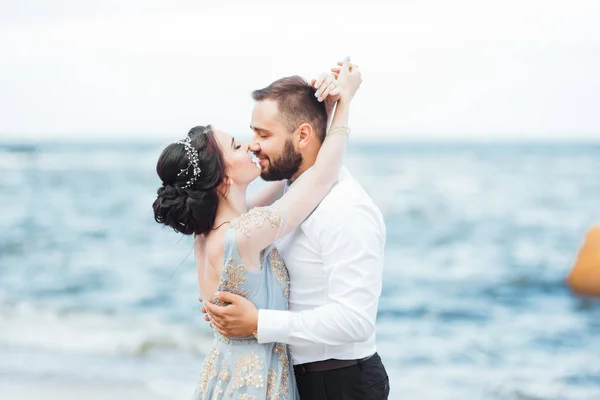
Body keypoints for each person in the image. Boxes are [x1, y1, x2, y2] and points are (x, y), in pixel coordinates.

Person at [152, 58, 361, 399]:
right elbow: (320, 177)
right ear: (223, 177)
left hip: (224, 377)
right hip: (254, 385)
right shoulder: (244, 235)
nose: (249, 145)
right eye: (236, 145)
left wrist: (317, 112)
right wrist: (346, 103)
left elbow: (292, 180)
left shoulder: (211, 233)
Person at [203, 61, 389, 399]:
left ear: (302, 135)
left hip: (339, 385)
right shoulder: (289, 196)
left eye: (263, 134)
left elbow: (355, 321)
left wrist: (259, 323)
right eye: (252, 133)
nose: (253, 145)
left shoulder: (345, 209)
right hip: (289, 379)